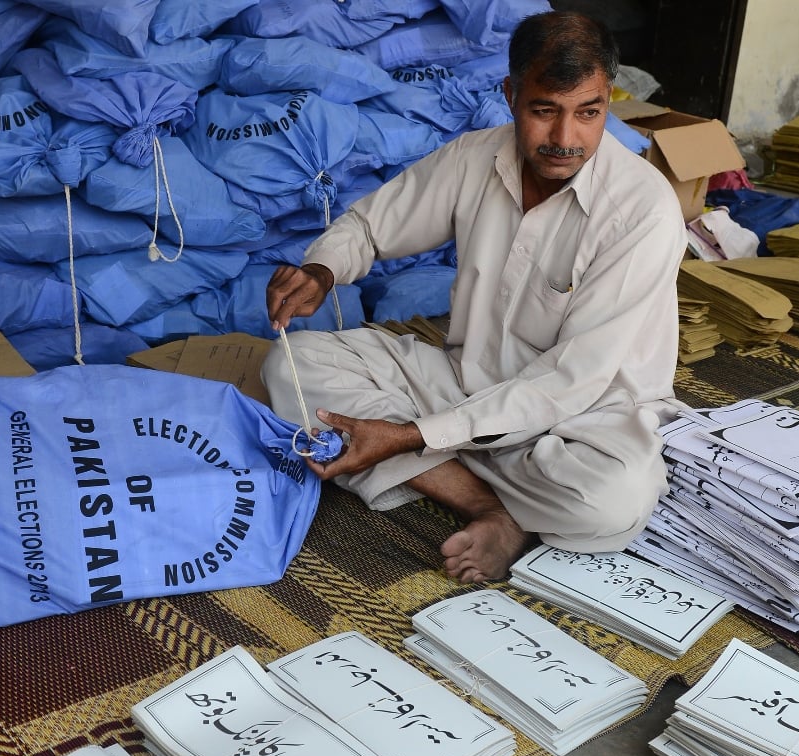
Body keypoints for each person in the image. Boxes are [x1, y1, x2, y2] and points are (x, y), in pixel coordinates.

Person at [261, 10, 687, 583]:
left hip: (581, 422)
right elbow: (370, 226)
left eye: (589, 113)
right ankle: (492, 508)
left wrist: (410, 435)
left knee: (613, 502)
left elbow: (570, 381)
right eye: (544, 111)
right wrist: (321, 269)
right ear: (510, 94)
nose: (566, 139)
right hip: (468, 383)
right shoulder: (474, 158)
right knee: (295, 367)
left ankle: (437, 464)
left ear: (608, 99)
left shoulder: (643, 208)